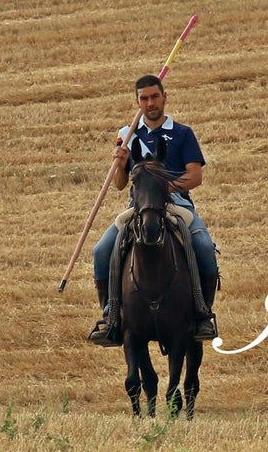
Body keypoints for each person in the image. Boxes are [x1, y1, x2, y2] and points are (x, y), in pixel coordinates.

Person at [88, 75, 219, 346]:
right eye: (144, 99)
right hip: (137, 206)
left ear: (164, 97)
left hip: (177, 204)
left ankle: (203, 314)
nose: (150, 103)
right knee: (101, 251)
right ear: (137, 102)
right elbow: (121, 184)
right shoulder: (126, 136)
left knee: (204, 247)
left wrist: (161, 188)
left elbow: (194, 177)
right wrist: (119, 162)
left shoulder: (183, 133)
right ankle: (111, 316)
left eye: (154, 97)